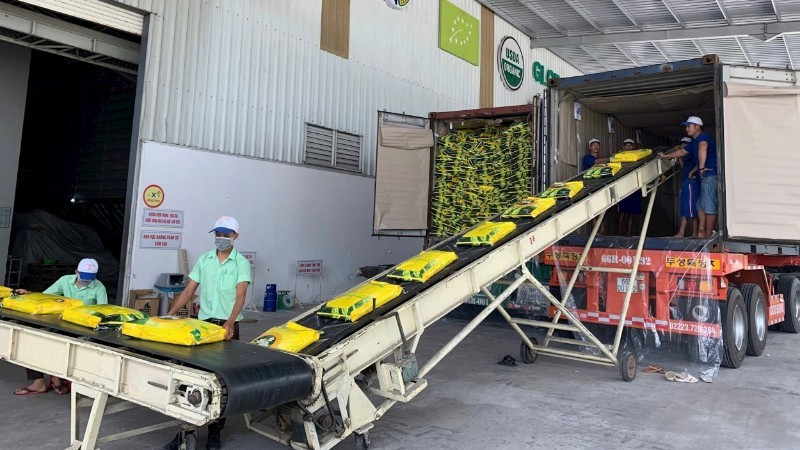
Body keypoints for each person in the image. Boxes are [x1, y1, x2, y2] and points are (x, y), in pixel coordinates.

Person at [163, 216, 251, 450]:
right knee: (193, 376)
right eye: (218, 234)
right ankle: (186, 431)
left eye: (225, 234)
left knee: (222, 380)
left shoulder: (240, 264)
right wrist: (170, 314)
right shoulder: (205, 260)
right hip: (204, 326)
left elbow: (241, 295)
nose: (220, 238)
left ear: (235, 236)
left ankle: (215, 432)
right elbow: (189, 291)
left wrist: (231, 321)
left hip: (227, 328)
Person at [13, 258, 107, 396]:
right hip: (62, 322)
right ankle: (39, 382)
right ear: (76, 272)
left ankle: (57, 376)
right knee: (33, 338)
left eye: (90, 279)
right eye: (84, 278)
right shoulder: (65, 281)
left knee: (69, 347)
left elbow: (103, 312)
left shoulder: (99, 287)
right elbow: (45, 296)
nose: (87, 282)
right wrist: (30, 294)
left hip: (83, 327)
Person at [660, 116, 717, 238]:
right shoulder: (695, 142)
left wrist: (701, 167)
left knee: (709, 205)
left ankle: (708, 234)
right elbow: (682, 152)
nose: (686, 129)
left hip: (710, 175)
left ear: (697, 127)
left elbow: (703, 148)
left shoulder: (703, 138)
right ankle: (702, 229)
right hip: (704, 176)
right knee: (699, 205)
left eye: (689, 126)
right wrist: (665, 156)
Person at [659, 137, 698, 237]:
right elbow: (683, 168)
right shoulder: (687, 157)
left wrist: (692, 172)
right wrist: (679, 156)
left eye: (685, 144)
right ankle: (681, 232)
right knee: (684, 209)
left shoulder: (694, 154)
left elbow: (701, 164)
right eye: (682, 144)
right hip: (685, 183)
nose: (683, 146)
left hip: (691, 184)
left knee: (692, 208)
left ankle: (695, 233)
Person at [582, 138, 609, 234]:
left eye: (598, 145)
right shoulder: (587, 158)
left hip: (600, 188)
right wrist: (611, 159)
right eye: (594, 145)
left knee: (602, 211)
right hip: (591, 188)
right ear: (589, 147)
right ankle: (596, 235)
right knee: (594, 212)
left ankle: (601, 234)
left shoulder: (602, 160)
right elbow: (596, 162)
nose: (596, 146)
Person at [617, 138, 642, 236]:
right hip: (623, 186)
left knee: (632, 212)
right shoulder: (619, 157)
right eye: (626, 145)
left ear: (634, 147)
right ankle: (619, 232)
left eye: (630, 145)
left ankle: (628, 233)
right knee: (622, 212)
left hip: (635, 186)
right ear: (623, 147)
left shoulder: (638, 157)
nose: (628, 147)